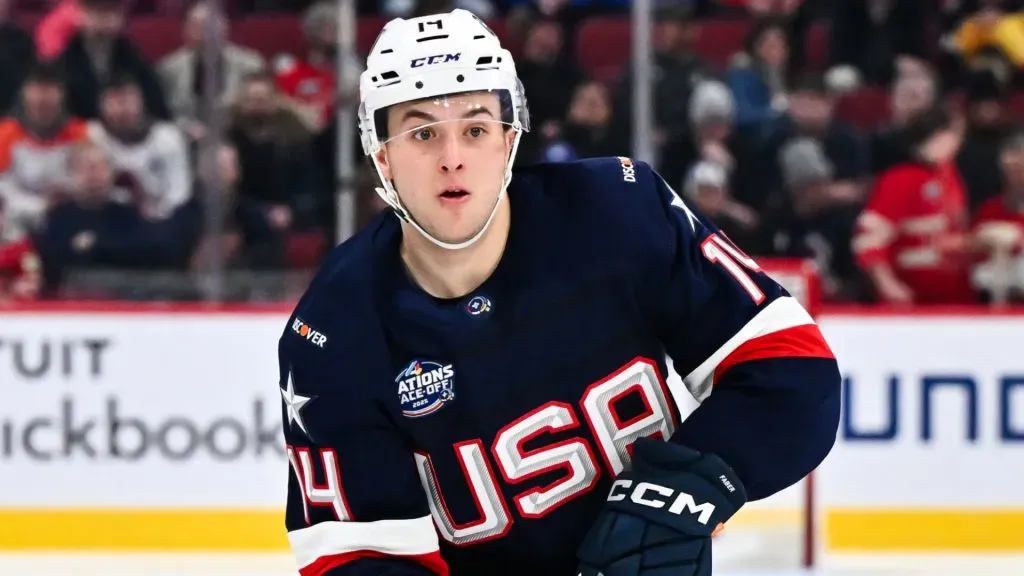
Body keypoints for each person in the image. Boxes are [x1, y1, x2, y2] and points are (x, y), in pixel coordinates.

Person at [276, 9, 841, 576]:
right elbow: (361, 558)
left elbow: (790, 375)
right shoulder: (334, 333)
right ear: (382, 155)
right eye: (422, 133)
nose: (453, 157)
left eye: (475, 128)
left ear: (509, 138)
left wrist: (677, 495)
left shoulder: (618, 213)